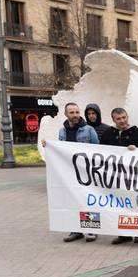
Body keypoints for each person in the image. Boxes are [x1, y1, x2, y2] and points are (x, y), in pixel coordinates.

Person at [42, 103, 99, 243]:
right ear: (66, 114)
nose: (75, 115)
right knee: (72, 201)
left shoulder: (89, 130)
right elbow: (60, 149)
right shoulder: (62, 131)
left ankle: (91, 230)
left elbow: (98, 150)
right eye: (72, 112)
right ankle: (76, 230)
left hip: (86, 173)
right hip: (69, 174)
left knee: (88, 200)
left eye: (77, 112)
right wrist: (48, 145)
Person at [101, 107, 138, 245]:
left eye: (124, 117)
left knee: (136, 205)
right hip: (116, 178)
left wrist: (136, 150)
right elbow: (100, 153)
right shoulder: (107, 134)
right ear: (113, 120)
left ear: (127, 117)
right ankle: (123, 234)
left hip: (135, 178)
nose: (122, 121)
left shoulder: (137, 132)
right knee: (119, 206)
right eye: (119, 119)